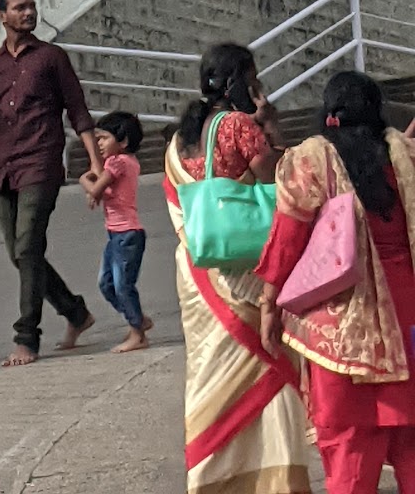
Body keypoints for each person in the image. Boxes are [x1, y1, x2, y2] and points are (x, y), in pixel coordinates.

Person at [163, 42, 310, 494]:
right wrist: (270, 125)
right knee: (269, 363)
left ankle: (214, 476)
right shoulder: (238, 126)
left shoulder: (180, 138)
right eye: (253, 77)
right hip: (245, 267)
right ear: (236, 83)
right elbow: (277, 178)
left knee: (208, 369)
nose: (258, 85)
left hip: (199, 268)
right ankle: (274, 478)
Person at [258, 70, 415, 494]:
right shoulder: (405, 153)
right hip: (408, 316)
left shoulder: (311, 160)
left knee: (349, 445)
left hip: (344, 324)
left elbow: (288, 239)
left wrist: (269, 304)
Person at [0, 0, 102, 366]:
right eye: (20, 8)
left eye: (31, 6)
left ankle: (26, 337)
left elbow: (78, 111)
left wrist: (96, 164)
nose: (29, 12)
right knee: (19, 254)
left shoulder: (51, 58)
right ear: (2, 15)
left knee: (29, 246)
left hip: (42, 163)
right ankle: (75, 313)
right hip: (6, 167)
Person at [80, 109, 152, 352]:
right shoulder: (126, 162)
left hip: (127, 235)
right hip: (117, 234)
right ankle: (137, 319)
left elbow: (96, 189)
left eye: (104, 138)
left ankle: (138, 333)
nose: (99, 144)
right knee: (107, 284)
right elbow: (108, 191)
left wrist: (84, 179)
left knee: (121, 286)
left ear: (123, 141)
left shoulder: (118, 162)